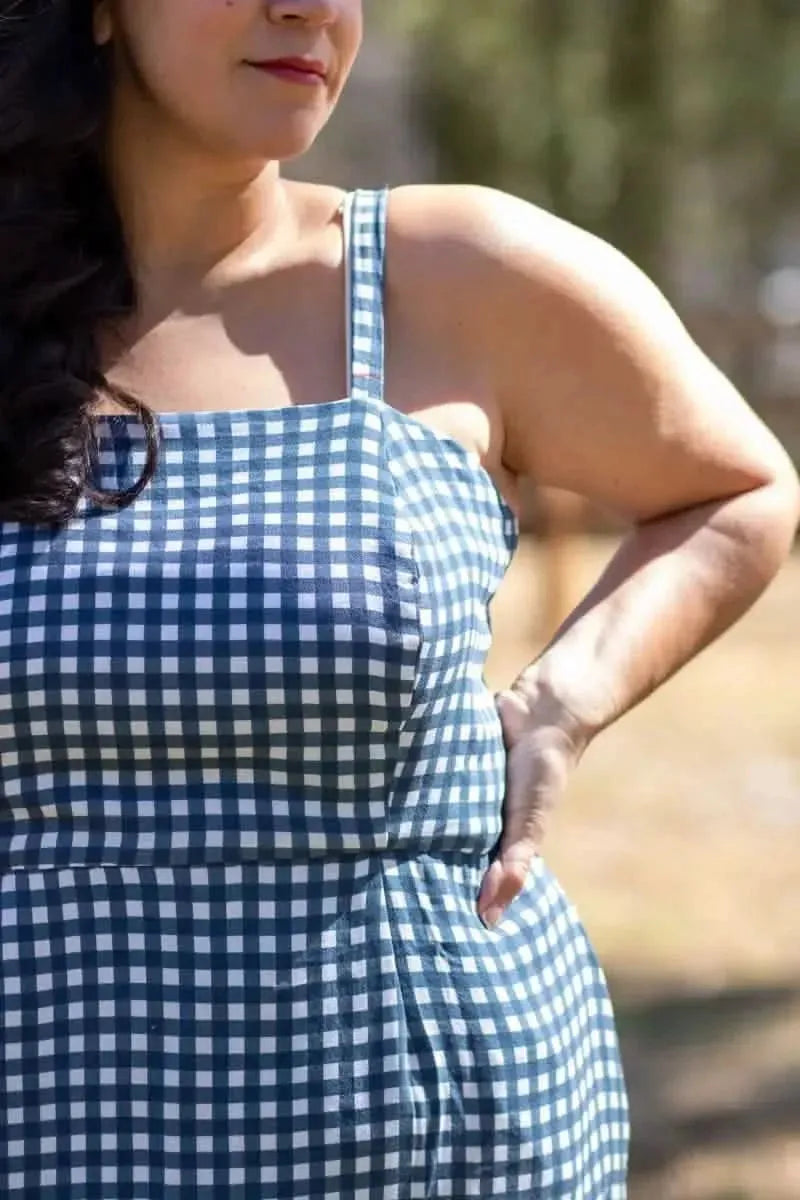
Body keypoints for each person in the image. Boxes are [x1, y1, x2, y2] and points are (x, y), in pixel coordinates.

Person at [0, 2, 797, 1197]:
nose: (310, 5)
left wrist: (561, 703)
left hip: (414, 1123)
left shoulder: (450, 276)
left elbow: (737, 490)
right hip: (45, 1118)